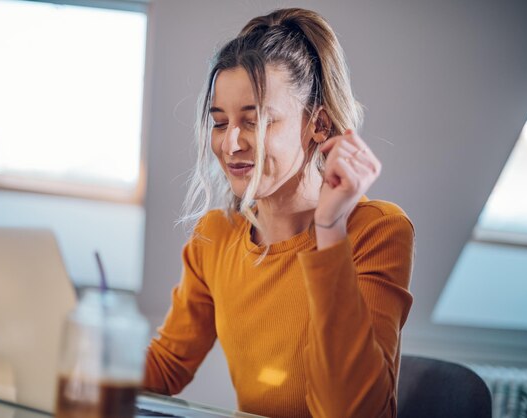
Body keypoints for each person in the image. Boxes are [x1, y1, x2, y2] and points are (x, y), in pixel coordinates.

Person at [143, 7, 414, 418]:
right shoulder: (216, 236)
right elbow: (165, 367)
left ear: (318, 125)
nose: (231, 144)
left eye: (254, 121)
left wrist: (330, 230)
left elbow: (354, 412)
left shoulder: (377, 232)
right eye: (219, 123)